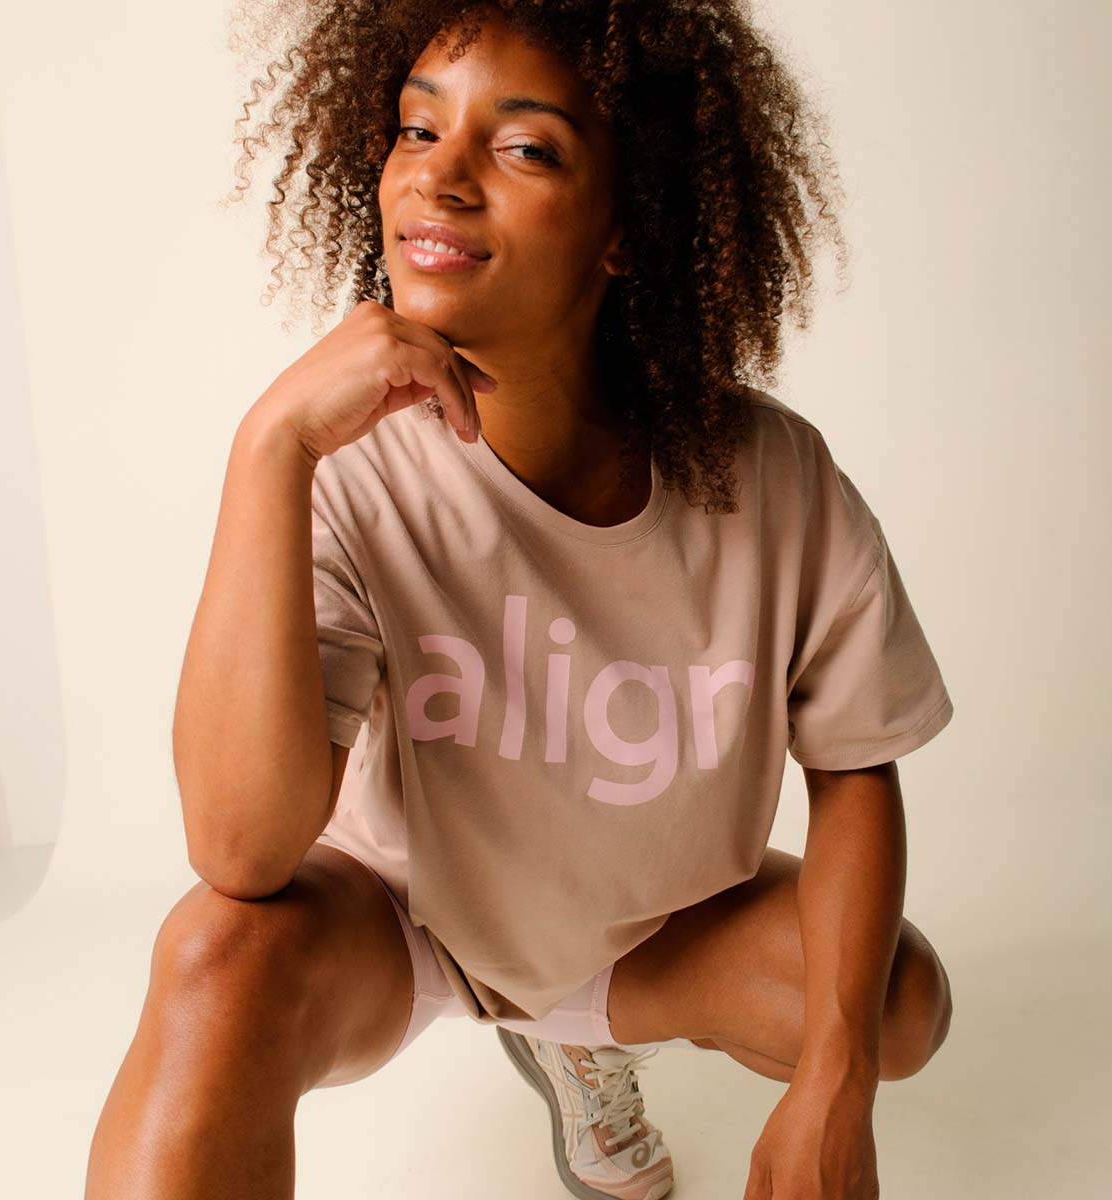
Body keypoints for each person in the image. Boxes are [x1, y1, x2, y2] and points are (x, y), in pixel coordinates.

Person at [85, 3, 956, 1198]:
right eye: (416, 129)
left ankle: (576, 1046)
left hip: (647, 935)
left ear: (626, 227)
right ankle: (551, 1031)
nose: (437, 178)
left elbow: (855, 769)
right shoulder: (346, 468)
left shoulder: (772, 479)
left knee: (895, 1003)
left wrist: (834, 1086)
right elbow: (240, 851)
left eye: (524, 147)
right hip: (400, 924)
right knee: (212, 957)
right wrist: (269, 447)